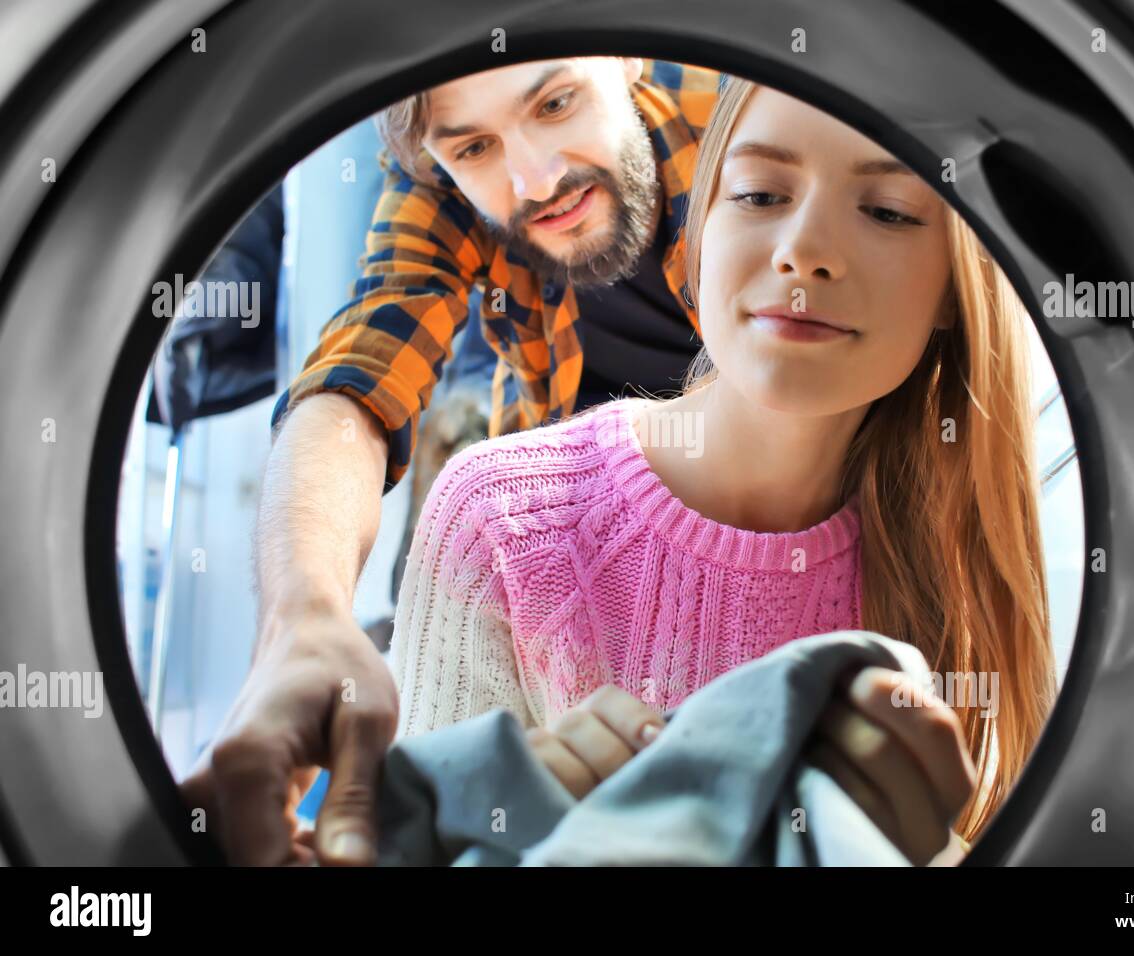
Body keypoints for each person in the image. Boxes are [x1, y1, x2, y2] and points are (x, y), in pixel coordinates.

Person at [387, 78, 1060, 866]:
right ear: (699, 234)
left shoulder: (967, 568)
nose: (803, 250)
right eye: (760, 193)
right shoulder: (497, 517)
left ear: (954, 288)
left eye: (887, 211)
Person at [178, 57, 725, 867]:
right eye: (474, 148)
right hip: (584, 541)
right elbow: (359, 372)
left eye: (556, 102)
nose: (536, 179)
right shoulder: (444, 185)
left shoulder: (744, 119)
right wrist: (304, 615)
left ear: (627, 59)